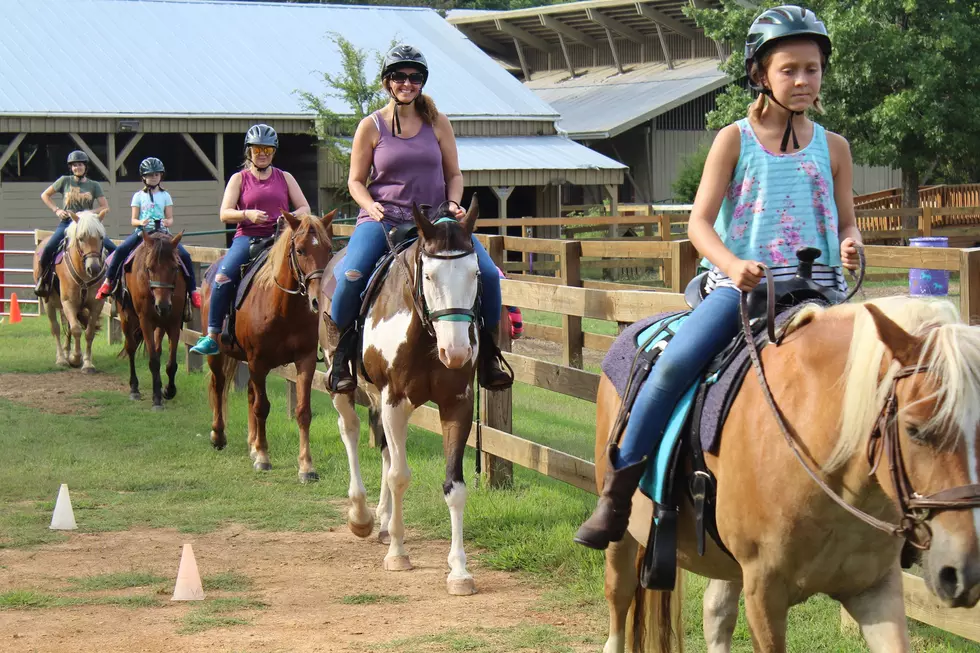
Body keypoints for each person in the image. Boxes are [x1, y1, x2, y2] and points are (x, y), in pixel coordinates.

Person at [574, 5, 863, 550]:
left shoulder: (835, 147)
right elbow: (699, 224)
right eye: (789, 69)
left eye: (812, 68)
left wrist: (851, 243)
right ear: (760, 74)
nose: (803, 80)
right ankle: (617, 496)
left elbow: (846, 220)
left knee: (889, 372)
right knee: (676, 364)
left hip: (821, 288)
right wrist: (732, 265)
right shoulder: (734, 139)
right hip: (743, 289)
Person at [327, 44, 513, 393]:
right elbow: (354, 180)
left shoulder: (438, 122)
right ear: (387, 82)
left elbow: (454, 174)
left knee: (487, 273)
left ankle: (488, 355)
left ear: (422, 82)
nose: (407, 83)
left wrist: (455, 204)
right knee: (351, 277)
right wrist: (368, 204)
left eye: (414, 77)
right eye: (399, 76)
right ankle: (341, 358)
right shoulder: (371, 126)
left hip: (435, 220)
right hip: (384, 217)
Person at [189, 125, 311, 355]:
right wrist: (247, 214)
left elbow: (305, 207)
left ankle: (314, 330)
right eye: (257, 149)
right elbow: (224, 213)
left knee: (311, 271)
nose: (262, 153)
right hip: (248, 237)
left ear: (274, 151)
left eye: (267, 149)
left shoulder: (285, 177)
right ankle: (213, 335)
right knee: (224, 277)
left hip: (280, 238)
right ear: (249, 152)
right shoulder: (239, 179)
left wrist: (289, 217)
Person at [96, 157, 201, 307]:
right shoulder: (138, 196)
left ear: (161, 176)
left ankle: (192, 291)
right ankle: (108, 282)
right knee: (120, 251)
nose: (154, 177)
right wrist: (140, 222)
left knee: (185, 255)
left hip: (163, 232)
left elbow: (170, 218)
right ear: (143, 177)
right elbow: (133, 220)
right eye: (150, 175)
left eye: (157, 175)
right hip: (143, 232)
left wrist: (167, 222)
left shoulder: (166, 195)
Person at [35, 150, 116, 297]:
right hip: (67, 223)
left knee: (113, 249)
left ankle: (115, 282)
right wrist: (57, 210)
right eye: (74, 166)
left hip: (87, 225)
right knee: (49, 248)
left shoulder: (94, 185)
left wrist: (88, 213)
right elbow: (45, 195)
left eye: (80, 165)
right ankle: (43, 280)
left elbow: (105, 207)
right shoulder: (64, 181)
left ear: (85, 167)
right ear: (70, 168)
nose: (77, 168)